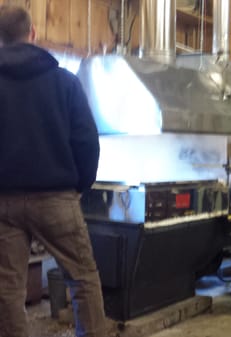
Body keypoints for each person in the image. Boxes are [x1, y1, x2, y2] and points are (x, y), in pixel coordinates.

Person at [0, 5, 106, 337]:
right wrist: (79, 187)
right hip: (57, 199)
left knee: (6, 291)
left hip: (4, 202)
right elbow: (88, 143)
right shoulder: (65, 82)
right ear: (32, 34)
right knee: (83, 279)